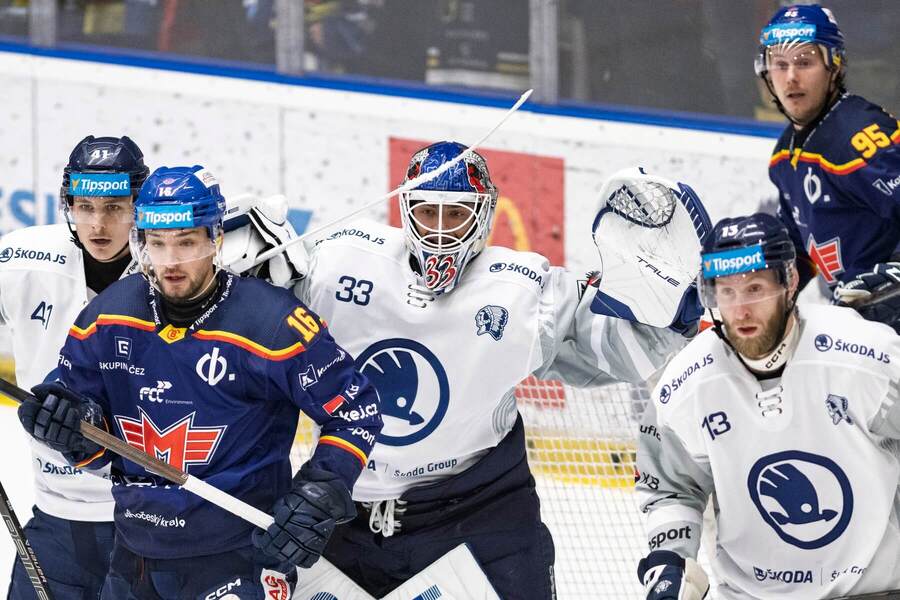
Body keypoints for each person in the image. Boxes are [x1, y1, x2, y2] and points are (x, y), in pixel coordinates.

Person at [290, 142, 707, 598]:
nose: (440, 232)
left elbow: (621, 351)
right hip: (340, 517)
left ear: (485, 214)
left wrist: (674, 308)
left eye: (456, 214)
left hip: (479, 520)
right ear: (406, 209)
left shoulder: (526, 293)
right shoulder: (335, 265)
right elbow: (251, 322)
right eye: (428, 212)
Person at [16, 165, 383, 599]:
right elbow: (90, 433)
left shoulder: (274, 323)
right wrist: (67, 425)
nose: (170, 261)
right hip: (134, 554)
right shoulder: (107, 315)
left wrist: (319, 491)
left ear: (216, 238)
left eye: (186, 242)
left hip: (240, 555)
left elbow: (356, 410)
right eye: (157, 243)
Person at [635, 212, 900, 600]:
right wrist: (670, 561)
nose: (740, 310)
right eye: (727, 292)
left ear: (789, 282)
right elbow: (670, 488)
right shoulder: (687, 384)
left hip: (873, 591)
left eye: (755, 288)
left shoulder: (863, 357)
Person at [0, 135, 148, 599]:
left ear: (139, 207)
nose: (98, 224)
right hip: (57, 517)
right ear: (68, 205)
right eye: (85, 207)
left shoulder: (173, 273)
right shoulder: (23, 260)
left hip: (152, 520)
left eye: (114, 208)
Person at [755, 4, 900, 330]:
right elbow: (798, 249)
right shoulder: (785, 155)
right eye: (780, 64)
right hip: (858, 324)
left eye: (804, 62)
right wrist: (759, 291)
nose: (791, 77)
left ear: (834, 66)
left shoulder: (861, 135)